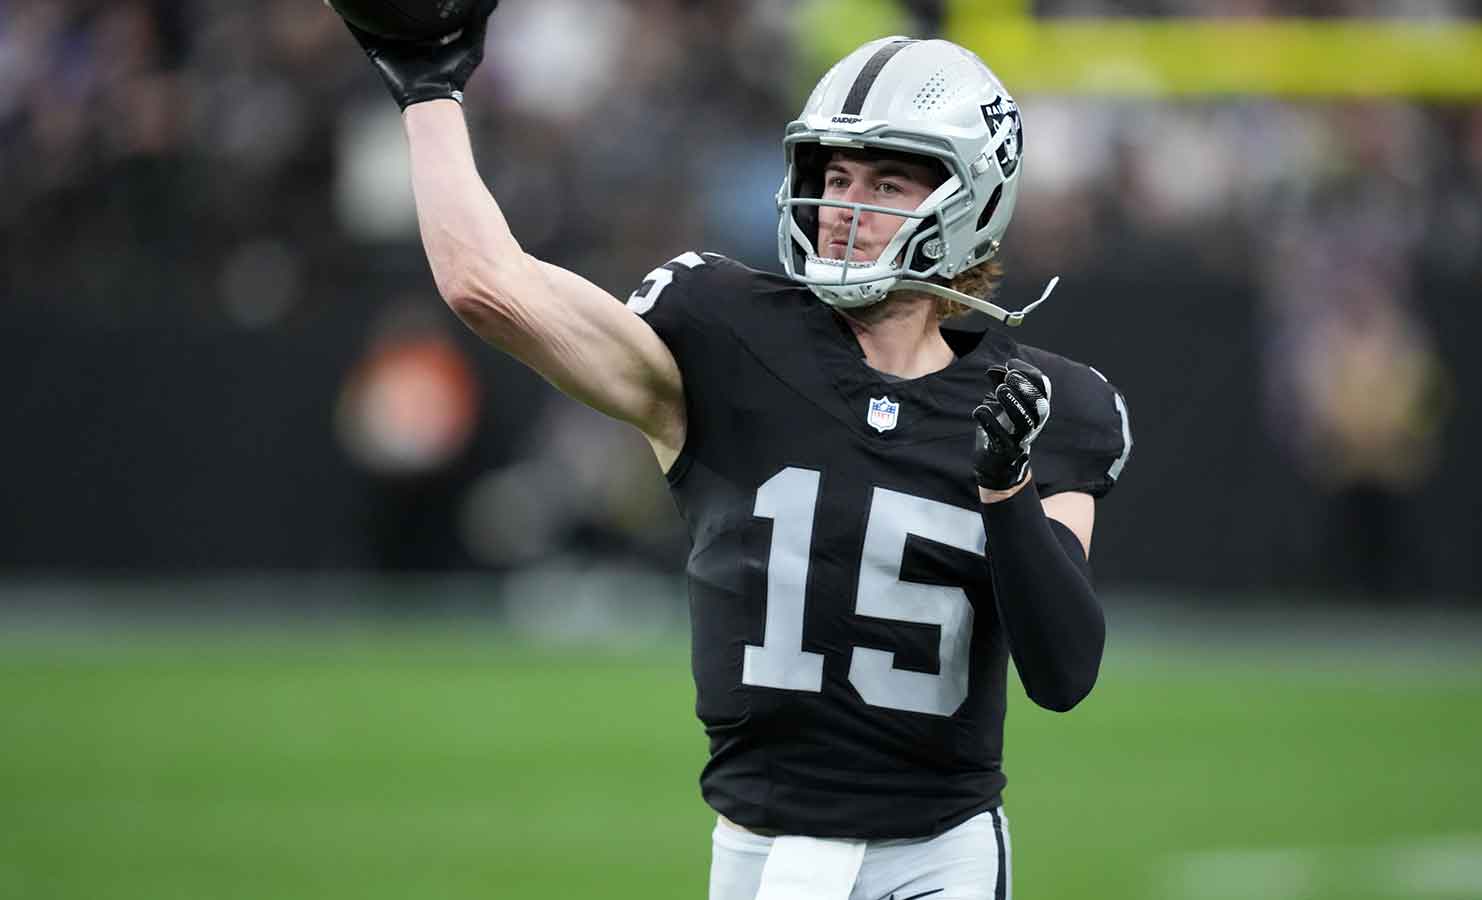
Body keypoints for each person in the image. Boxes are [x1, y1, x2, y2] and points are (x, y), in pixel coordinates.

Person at [343, 6, 1131, 898]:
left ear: (974, 198)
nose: (844, 209)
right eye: (835, 175)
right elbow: (487, 286)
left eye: (886, 184)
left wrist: (1006, 485)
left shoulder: (1041, 401)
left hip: (936, 855)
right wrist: (429, 93)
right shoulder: (727, 330)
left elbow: (1063, 671)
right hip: (758, 852)